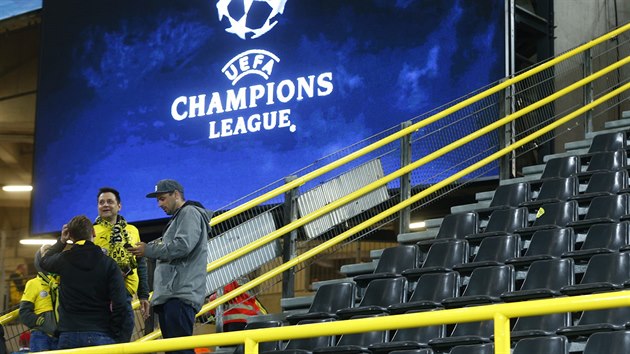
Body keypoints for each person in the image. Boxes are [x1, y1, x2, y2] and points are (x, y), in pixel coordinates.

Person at [129, 179, 211, 354]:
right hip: (174, 296)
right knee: (175, 351)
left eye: (163, 198)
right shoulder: (180, 217)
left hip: (179, 296)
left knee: (179, 351)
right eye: (158, 200)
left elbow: (182, 246)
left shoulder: (189, 212)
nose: (159, 204)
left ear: (176, 194)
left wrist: (149, 250)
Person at [40, 215, 131, 349]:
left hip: (68, 335)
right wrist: (115, 332)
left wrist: (61, 241)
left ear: (70, 236)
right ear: (93, 232)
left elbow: (44, 261)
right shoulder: (109, 264)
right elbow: (120, 304)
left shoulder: (63, 260)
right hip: (101, 332)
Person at [93, 187, 151, 342]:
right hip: (99, 297)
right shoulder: (90, 231)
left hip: (125, 295)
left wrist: (144, 295)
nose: (105, 205)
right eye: (101, 202)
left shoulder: (132, 230)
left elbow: (140, 263)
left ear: (119, 206)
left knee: (123, 341)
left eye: (110, 201)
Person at [19, 245, 59, 352]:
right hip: (40, 336)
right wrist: (41, 322)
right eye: (45, 257)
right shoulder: (33, 283)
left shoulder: (60, 283)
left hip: (59, 337)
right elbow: (24, 312)